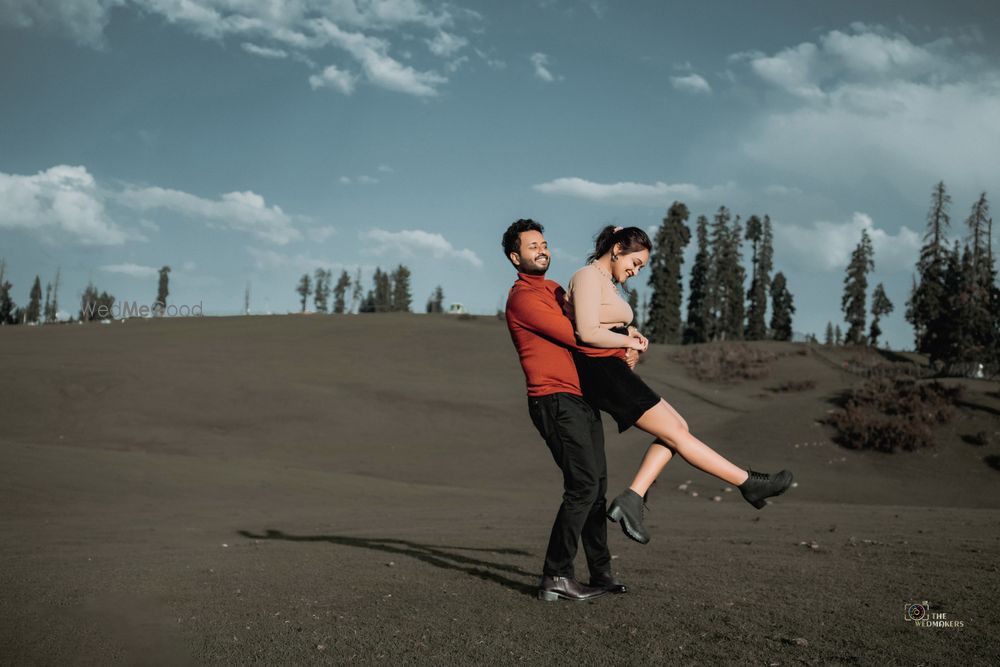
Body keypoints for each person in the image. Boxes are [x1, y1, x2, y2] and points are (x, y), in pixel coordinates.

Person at [564, 225, 794, 545]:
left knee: (677, 428)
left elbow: (603, 327)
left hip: (612, 368)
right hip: (602, 372)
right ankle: (748, 482)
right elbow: (586, 333)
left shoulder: (605, 282)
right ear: (616, 249)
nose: (636, 270)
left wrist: (628, 339)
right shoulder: (587, 276)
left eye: (642, 267)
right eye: (635, 262)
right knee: (676, 432)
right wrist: (627, 340)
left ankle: (632, 499)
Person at [502, 218, 640, 602]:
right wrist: (624, 341)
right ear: (516, 257)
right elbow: (578, 335)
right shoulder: (523, 298)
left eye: (544, 243)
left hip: (580, 398)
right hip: (553, 399)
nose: (542, 250)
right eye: (532, 246)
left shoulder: (556, 290)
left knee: (596, 488)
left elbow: (591, 321)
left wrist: (624, 343)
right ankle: (557, 575)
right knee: (581, 486)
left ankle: (601, 574)